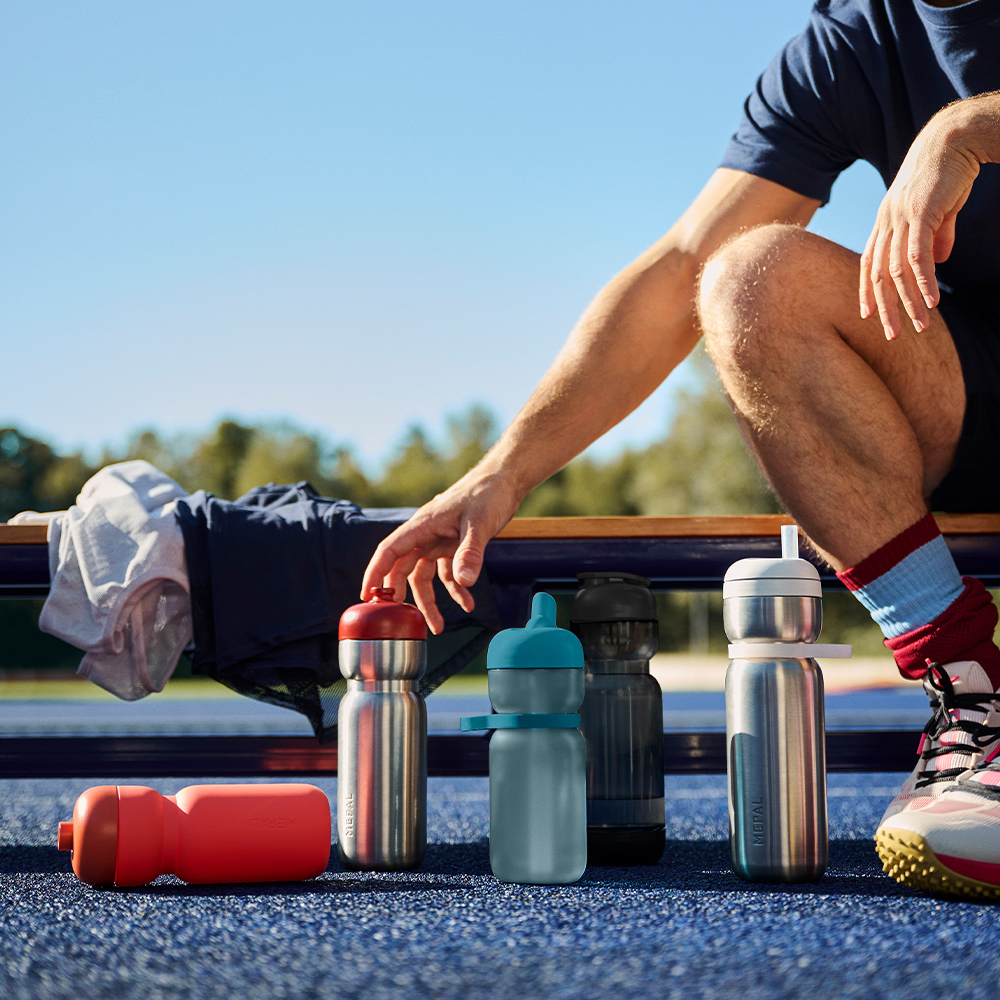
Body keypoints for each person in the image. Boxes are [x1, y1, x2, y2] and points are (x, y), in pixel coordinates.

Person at [362, 0, 1000, 897]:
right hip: (970, 395)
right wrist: (498, 473)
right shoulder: (856, 39)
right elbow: (676, 273)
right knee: (747, 277)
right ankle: (974, 691)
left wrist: (968, 127)